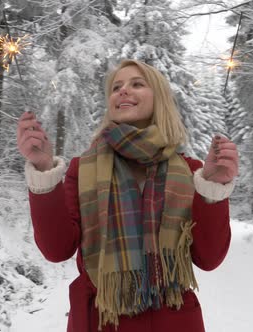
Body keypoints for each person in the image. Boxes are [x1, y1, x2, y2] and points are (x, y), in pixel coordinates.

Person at [16, 59, 239, 332]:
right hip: (100, 320)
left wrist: (212, 191)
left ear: (159, 98)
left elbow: (209, 258)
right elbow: (56, 249)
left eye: (137, 84)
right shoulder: (82, 169)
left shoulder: (191, 172)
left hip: (174, 321)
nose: (123, 91)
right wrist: (42, 170)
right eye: (116, 87)